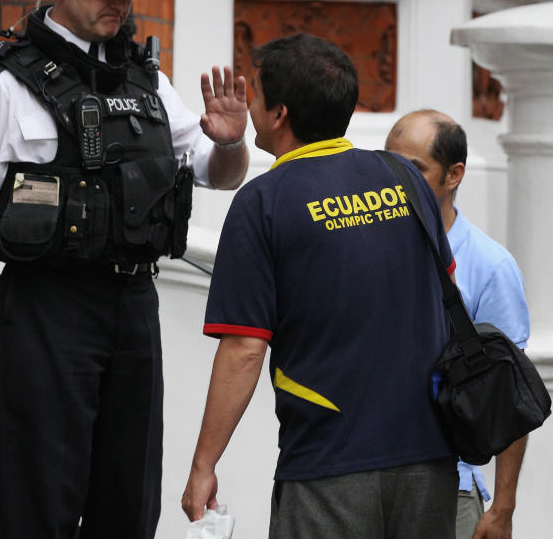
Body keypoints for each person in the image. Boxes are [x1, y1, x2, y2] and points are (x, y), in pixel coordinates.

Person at [0, 0, 249, 539]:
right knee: (43, 502)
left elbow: (220, 172)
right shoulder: (4, 83)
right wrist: (12, 320)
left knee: (130, 500)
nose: (119, 3)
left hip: (133, 303)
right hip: (47, 305)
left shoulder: (147, 81)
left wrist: (233, 142)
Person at [181, 33, 459, 538]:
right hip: (430, 460)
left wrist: (204, 464)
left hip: (329, 464)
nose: (251, 103)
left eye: (257, 94)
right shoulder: (405, 177)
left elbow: (244, 347)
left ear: (279, 114)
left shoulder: (262, 202)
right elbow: (444, 290)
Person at [385, 109, 530, 539]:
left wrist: (502, 508)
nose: (395, 182)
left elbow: (506, 396)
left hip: (448, 484)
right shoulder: (361, 247)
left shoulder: (490, 266)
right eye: (388, 165)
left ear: (454, 175)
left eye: (413, 170)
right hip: (359, 477)